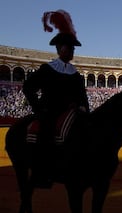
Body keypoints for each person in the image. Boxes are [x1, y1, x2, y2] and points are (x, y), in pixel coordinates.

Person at [22, 10, 89, 187]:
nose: (72, 51)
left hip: (72, 113)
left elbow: (82, 97)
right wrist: (39, 108)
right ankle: (42, 172)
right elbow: (28, 87)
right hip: (50, 111)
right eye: (69, 47)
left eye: (73, 48)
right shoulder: (47, 69)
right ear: (60, 49)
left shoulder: (75, 74)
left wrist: (83, 108)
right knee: (45, 131)